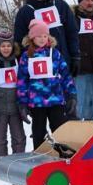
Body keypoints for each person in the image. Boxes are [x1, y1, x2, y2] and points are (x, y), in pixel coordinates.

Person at [17, 19, 77, 149]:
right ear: (32, 37)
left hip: (55, 100)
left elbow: (65, 74)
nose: (42, 39)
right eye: (39, 36)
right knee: (38, 132)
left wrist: (72, 94)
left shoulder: (54, 53)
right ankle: (39, 156)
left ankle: (62, 155)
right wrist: (22, 102)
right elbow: (22, 80)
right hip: (37, 102)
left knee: (59, 130)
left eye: (45, 36)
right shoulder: (27, 56)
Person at [12, 0, 80, 76]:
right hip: (38, 68)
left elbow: (72, 32)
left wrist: (75, 56)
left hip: (63, 63)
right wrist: (23, 63)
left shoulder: (60, 5)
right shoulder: (25, 12)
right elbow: (19, 40)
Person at [0, 31, 26, 158]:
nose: (6, 48)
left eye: (8, 45)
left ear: (13, 46)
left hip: (16, 108)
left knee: (19, 137)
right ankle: (1, 161)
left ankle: (18, 160)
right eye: (2, 46)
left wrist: (25, 103)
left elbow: (24, 82)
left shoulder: (19, 61)